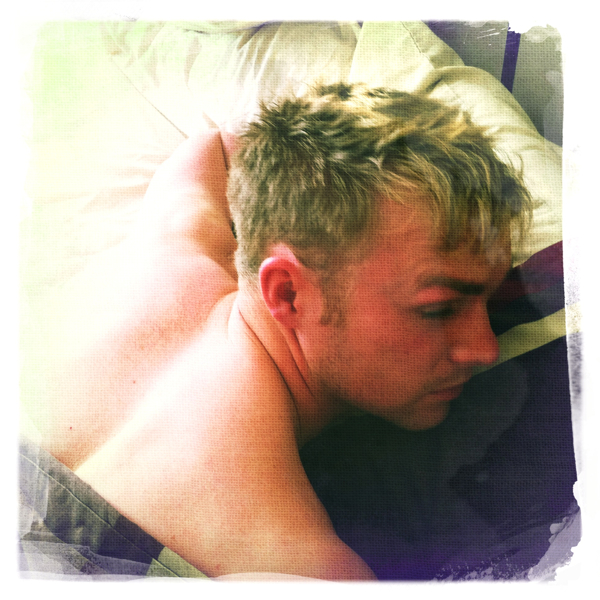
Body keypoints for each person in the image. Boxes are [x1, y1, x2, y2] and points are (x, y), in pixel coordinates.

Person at [21, 83, 532, 580]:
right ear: (287, 294)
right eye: (439, 309)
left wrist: (298, 160)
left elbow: (214, 145)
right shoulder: (291, 565)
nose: (485, 349)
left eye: (488, 300)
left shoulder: (172, 249)